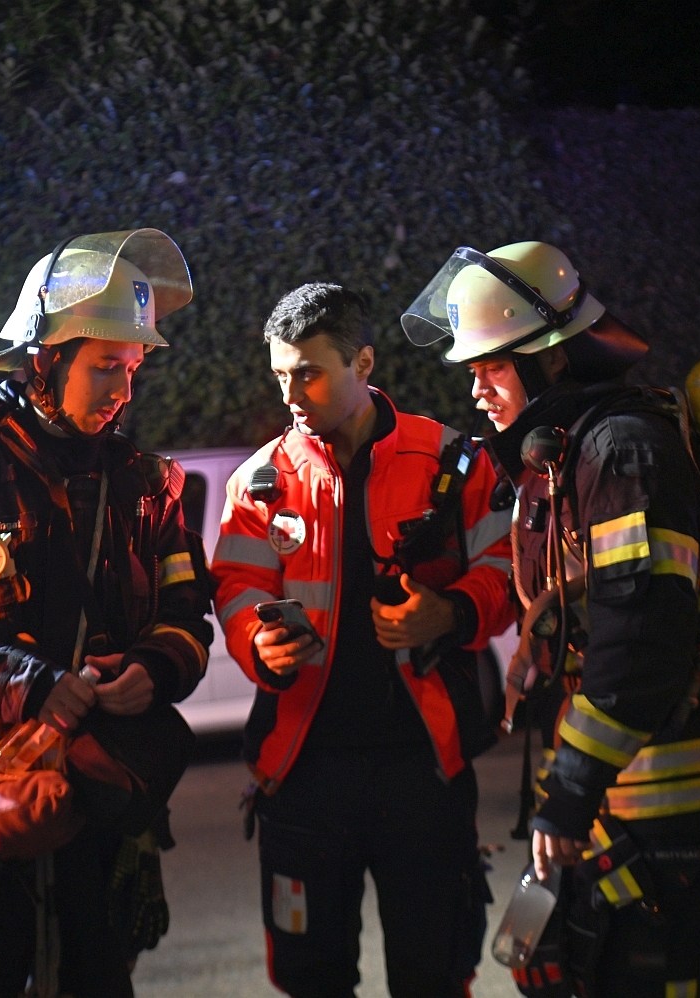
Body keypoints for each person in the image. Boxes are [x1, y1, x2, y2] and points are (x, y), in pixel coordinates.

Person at [402, 241, 700, 998]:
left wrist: (569, 791)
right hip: (620, 797)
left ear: (550, 358)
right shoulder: (570, 455)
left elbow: (641, 644)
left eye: (491, 367)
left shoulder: (623, 453)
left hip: (673, 800)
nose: (475, 390)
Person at [0, 229, 214, 998]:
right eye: (105, 366)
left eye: (133, 368)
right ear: (45, 359)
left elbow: (189, 619)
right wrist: (28, 685)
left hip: (95, 807)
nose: (122, 390)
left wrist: (153, 671)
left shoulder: (146, 486)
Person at [211, 283, 517, 997]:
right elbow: (236, 586)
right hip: (304, 774)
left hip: (423, 770)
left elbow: (507, 569)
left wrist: (451, 612)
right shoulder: (259, 480)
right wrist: (258, 644)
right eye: (280, 373)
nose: (291, 393)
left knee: (434, 976)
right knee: (311, 980)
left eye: (309, 373)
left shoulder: (451, 460)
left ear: (365, 362)